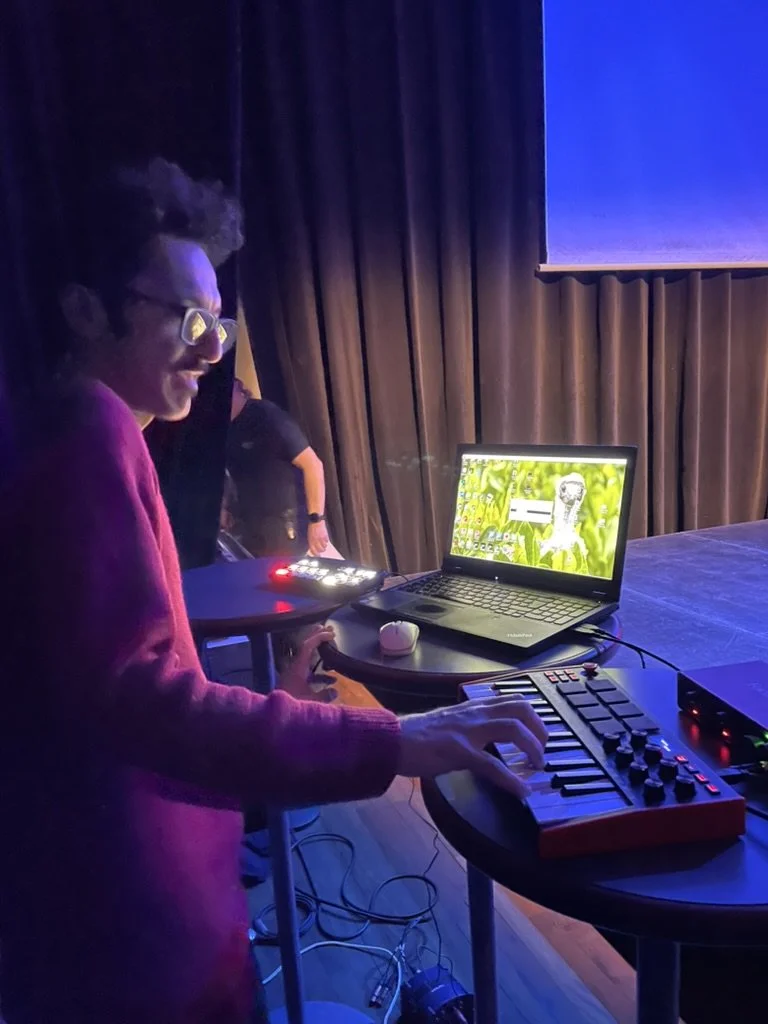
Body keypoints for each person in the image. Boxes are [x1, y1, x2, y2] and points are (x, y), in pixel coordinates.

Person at [0, 158, 547, 1024]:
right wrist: (397, 738)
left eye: (217, 321)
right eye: (186, 319)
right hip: (139, 931)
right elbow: (146, 701)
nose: (211, 351)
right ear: (84, 309)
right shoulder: (89, 434)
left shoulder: (69, 424)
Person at [227, 378, 334, 558]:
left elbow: (313, 465)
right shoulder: (225, 429)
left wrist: (316, 521)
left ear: (239, 389)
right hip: (254, 527)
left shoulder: (268, 417)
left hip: (289, 526)